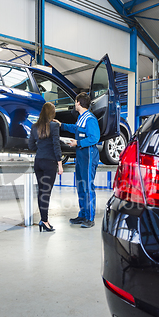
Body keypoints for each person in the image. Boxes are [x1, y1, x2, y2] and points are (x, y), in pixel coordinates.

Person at [54, 92, 100, 228]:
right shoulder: (82, 118)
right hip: (81, 154)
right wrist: (61, 125)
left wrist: (77, 143)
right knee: (80, 185)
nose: (75, 104)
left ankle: (90, 218)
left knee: (88, 186)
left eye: (75, 102)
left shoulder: (90, 119)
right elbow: (75, 128)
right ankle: (83, 214)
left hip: (88, 154)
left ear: (79, 103)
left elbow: (94, 138)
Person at [29, 102, 63, 232]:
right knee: (46, 193)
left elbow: (31, 145)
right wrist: (60, 164)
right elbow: (56, 145)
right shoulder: (54, 126)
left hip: (38, 162)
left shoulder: (34, 126)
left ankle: (44, 220)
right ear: (52, 113)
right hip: (49, 163)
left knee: (41, 191)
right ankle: (44, 221)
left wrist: (41, 148)